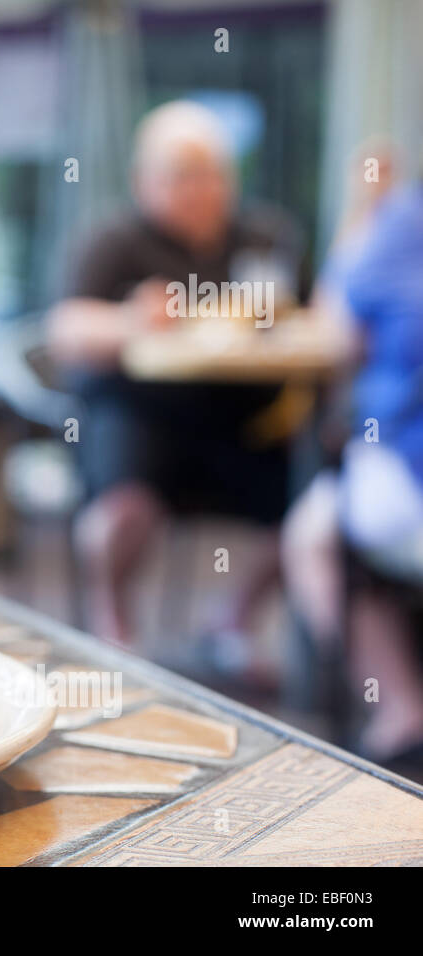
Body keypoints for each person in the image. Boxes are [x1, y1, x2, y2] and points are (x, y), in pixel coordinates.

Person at [46, 101, 308, 648]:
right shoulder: (115, 240)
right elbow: (65, 329)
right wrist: (131, 320)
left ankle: (234, 617)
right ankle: (113, 629)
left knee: (317, 495)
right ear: (145, 181)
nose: (199, 189)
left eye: (211, 174)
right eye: (182, 176)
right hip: (141, 411)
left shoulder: (266, 238)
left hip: (240, 416)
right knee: (121, 510)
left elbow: (309, 318)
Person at [282, 166, 423, 768]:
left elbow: (335, 332)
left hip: (405, 474)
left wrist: (363, 219)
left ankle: (401, 709)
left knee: (312, 534)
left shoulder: (403, 217)